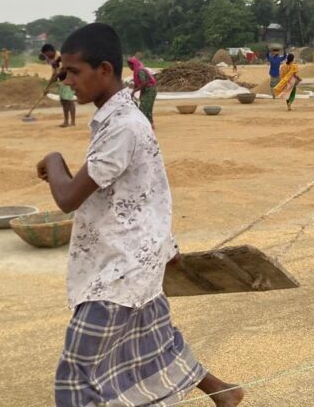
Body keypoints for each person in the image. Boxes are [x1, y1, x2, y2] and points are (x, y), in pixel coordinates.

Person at [37, 23, 243, 407]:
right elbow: (148, 189)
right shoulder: (119, 120)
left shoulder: (123, 127)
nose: (68, 81)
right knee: (156, 339)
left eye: (74, 72)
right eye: (63, 73)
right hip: (138, 255)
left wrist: (52, 160)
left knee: (78, 371)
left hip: (119, 268)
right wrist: (167, 244)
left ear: (104, 70)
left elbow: (67, 198)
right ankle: (223, 392)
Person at [41, 43, 73, 127]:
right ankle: (66, 121)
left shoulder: (60, 56)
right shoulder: (52, 60)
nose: (47, 56)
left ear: (50, 51)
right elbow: (54, 74)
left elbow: (64, 69)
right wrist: (47, 87)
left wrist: (56, 76)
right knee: (63, 100)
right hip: (61, 81)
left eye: (46, 54)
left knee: (68, 100)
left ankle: (72, 122)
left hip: (68, 79)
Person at [128, 56, 158, 126]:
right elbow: (137, 84)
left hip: (150, 90)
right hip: (146, 90)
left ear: (134, 64)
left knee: (144, 107)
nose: (130, 67)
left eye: (130, 65)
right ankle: (150, 123)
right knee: (147, 107)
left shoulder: (140, 71)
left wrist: (134, 91)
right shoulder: (137, 71)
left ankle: (146, 124)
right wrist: (133, 91)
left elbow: (144, 83)